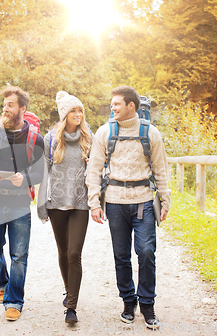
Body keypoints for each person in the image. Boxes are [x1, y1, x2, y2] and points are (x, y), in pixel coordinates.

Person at [85, 86, 171, 329]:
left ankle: (147, 303)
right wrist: (94, 203)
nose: (112, 108)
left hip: (143, 199)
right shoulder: (105, 132)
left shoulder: (151, 133)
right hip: (114, 202)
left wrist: (165, 200)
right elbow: (94, 170)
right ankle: (128, 301)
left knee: (145, 252)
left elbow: (161, 169)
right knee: (121, 255)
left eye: (117, 104)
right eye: (112, 104)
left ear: (131, 105)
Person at [0, 86, 44, 321]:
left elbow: (39, 174)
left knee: (19, 254)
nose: (5, 109)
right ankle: (2, 283)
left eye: (10, 105)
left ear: (22, 109)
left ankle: (14, 301)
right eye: (4, 105)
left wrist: (24, 178)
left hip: (20, 204)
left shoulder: (35, 139)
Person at [37, 91, 92, 324]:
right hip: (56, 203)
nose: (78, 114)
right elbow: (44, 173)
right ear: (64, 115)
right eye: (73, 111)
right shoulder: (50, 140)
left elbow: (100, 169)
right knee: (62, 252)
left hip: (80, 203)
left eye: (80, 110)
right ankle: (69, 290)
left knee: (74, 253)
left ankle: (71, 307)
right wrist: (41, 205)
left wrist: (93, 164)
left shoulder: (89, 138)